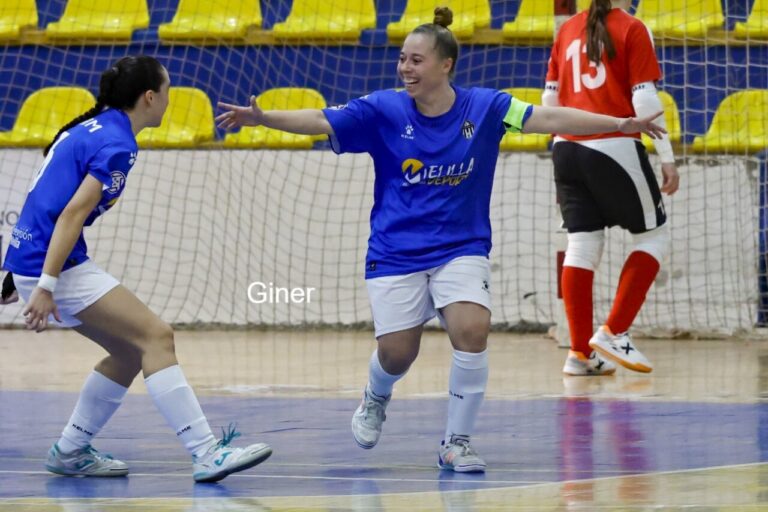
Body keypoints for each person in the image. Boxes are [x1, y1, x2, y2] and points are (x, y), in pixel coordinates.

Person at [216, 7, 665, 472]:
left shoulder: (487, 108)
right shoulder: (384, 109)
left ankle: (457, 442)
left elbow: (547, 116)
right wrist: (264, 117)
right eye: (403, 59)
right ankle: (375, 396)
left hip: (461, 247)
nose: (405, 68)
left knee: (472, 330)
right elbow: (322, 119)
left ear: (445, 65)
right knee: (397, 353)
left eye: (416, 60)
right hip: (395, 251)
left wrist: (621, 123)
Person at [0, 56, 271, 482]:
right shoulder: (117, 144)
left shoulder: (92, 127)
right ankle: (205, 453)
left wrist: (19, 272)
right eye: (167, 92)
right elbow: (71, 213)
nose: (168, 100)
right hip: (53, 264)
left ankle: (70, 451)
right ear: (150, 97)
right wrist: (45, 285)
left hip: (38, 258)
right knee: (156, 336)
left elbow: (44, 200)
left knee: (129, 351)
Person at [543, 0, 679, 377]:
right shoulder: (632, 27)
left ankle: (579, 354)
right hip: (612, 143)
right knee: (654, 236)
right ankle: (615, 331)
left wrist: (559, 147)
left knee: (582, 244)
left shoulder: (567, 29)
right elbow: (644, 97)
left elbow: (549, 101)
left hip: (565, 147)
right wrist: (666, 156)